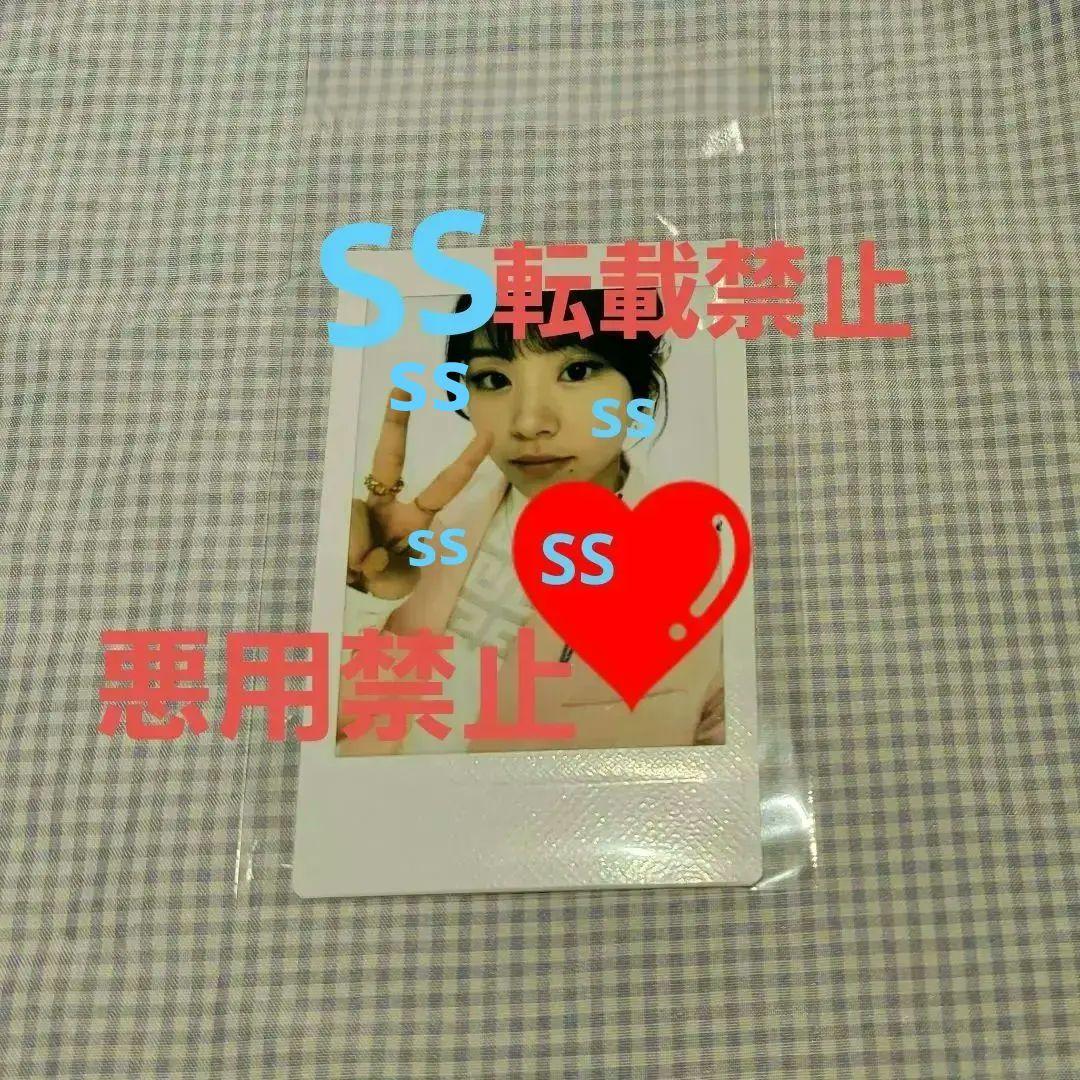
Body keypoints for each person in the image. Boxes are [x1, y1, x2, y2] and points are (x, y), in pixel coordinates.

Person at [338, 290, 724, 755]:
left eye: (577, 371)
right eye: (494, 379)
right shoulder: (419, 527)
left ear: (640, 386)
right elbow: (325, 724)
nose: (528, 422)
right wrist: (364, 598)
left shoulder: (710, 575)